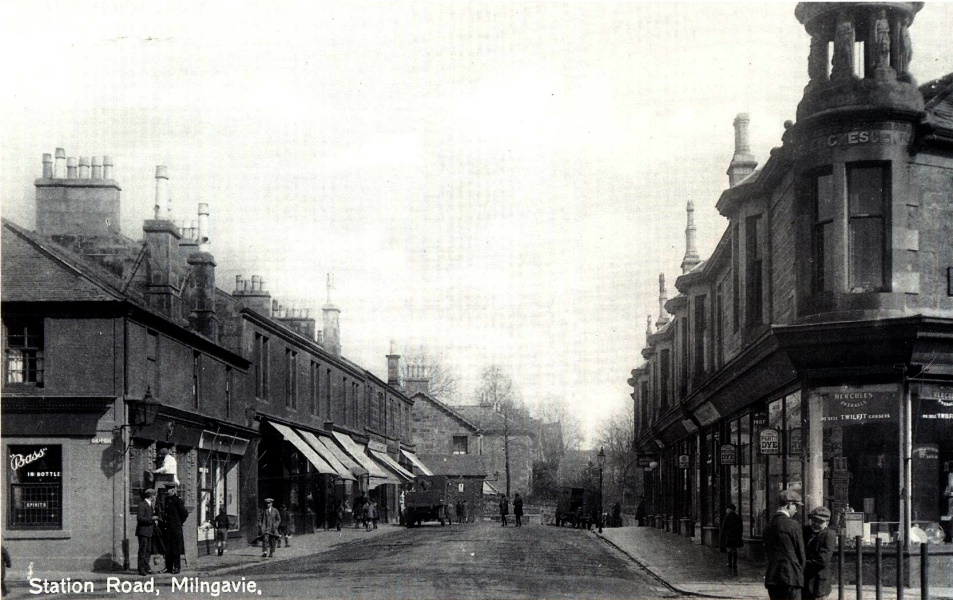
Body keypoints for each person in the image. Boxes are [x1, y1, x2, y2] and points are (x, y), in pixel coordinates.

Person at [763, 489, 805, 600]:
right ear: (789, 505)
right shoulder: (792, 525)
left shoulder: (769, 525)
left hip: (773, 578)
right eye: (796, 506)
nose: (796, 510)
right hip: (791, 578)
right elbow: (801, 554)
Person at [802, 506, 836, 600]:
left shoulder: (829, 535)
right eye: (814, 520)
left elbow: (822, 561)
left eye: (820, 522)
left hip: (818, 584)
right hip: (803, 583)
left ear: (827, 522)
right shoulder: (805, 531)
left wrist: (801, 563)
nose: (816, 524)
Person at [163, 484, 189, 574]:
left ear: (173, 490)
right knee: (168, 548)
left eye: (169, 489)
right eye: (166, 489)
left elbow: (185, 513)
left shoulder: (177, 500)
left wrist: (179, 522)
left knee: (176, 549)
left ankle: (177, 567)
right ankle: (168, 567)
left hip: (175, 529)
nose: (167, 491)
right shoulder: (167, 500)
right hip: (168, 529)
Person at [136, 489, 158, 575]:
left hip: (149, 531)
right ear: (151, 496)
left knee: (148, 550)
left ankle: (146, 567)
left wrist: (153, 521)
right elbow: (140, 518)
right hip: (143, 531)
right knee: (143, 550)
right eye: (154, 495)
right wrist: (151, 519)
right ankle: (141, 569)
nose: (155, 497)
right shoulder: (142, 504)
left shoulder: (149, 505)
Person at [720, 503, 744, 575]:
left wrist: (723, 536)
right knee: (734, 549)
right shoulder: (737, 517)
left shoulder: (727, 517)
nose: (726, 510)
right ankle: (734, 563)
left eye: (728, 509)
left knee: (729, 549)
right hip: (735, 537)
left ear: (730, 509)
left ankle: (730, 563)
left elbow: (723, 527)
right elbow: (741, 527)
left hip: (729, 536)